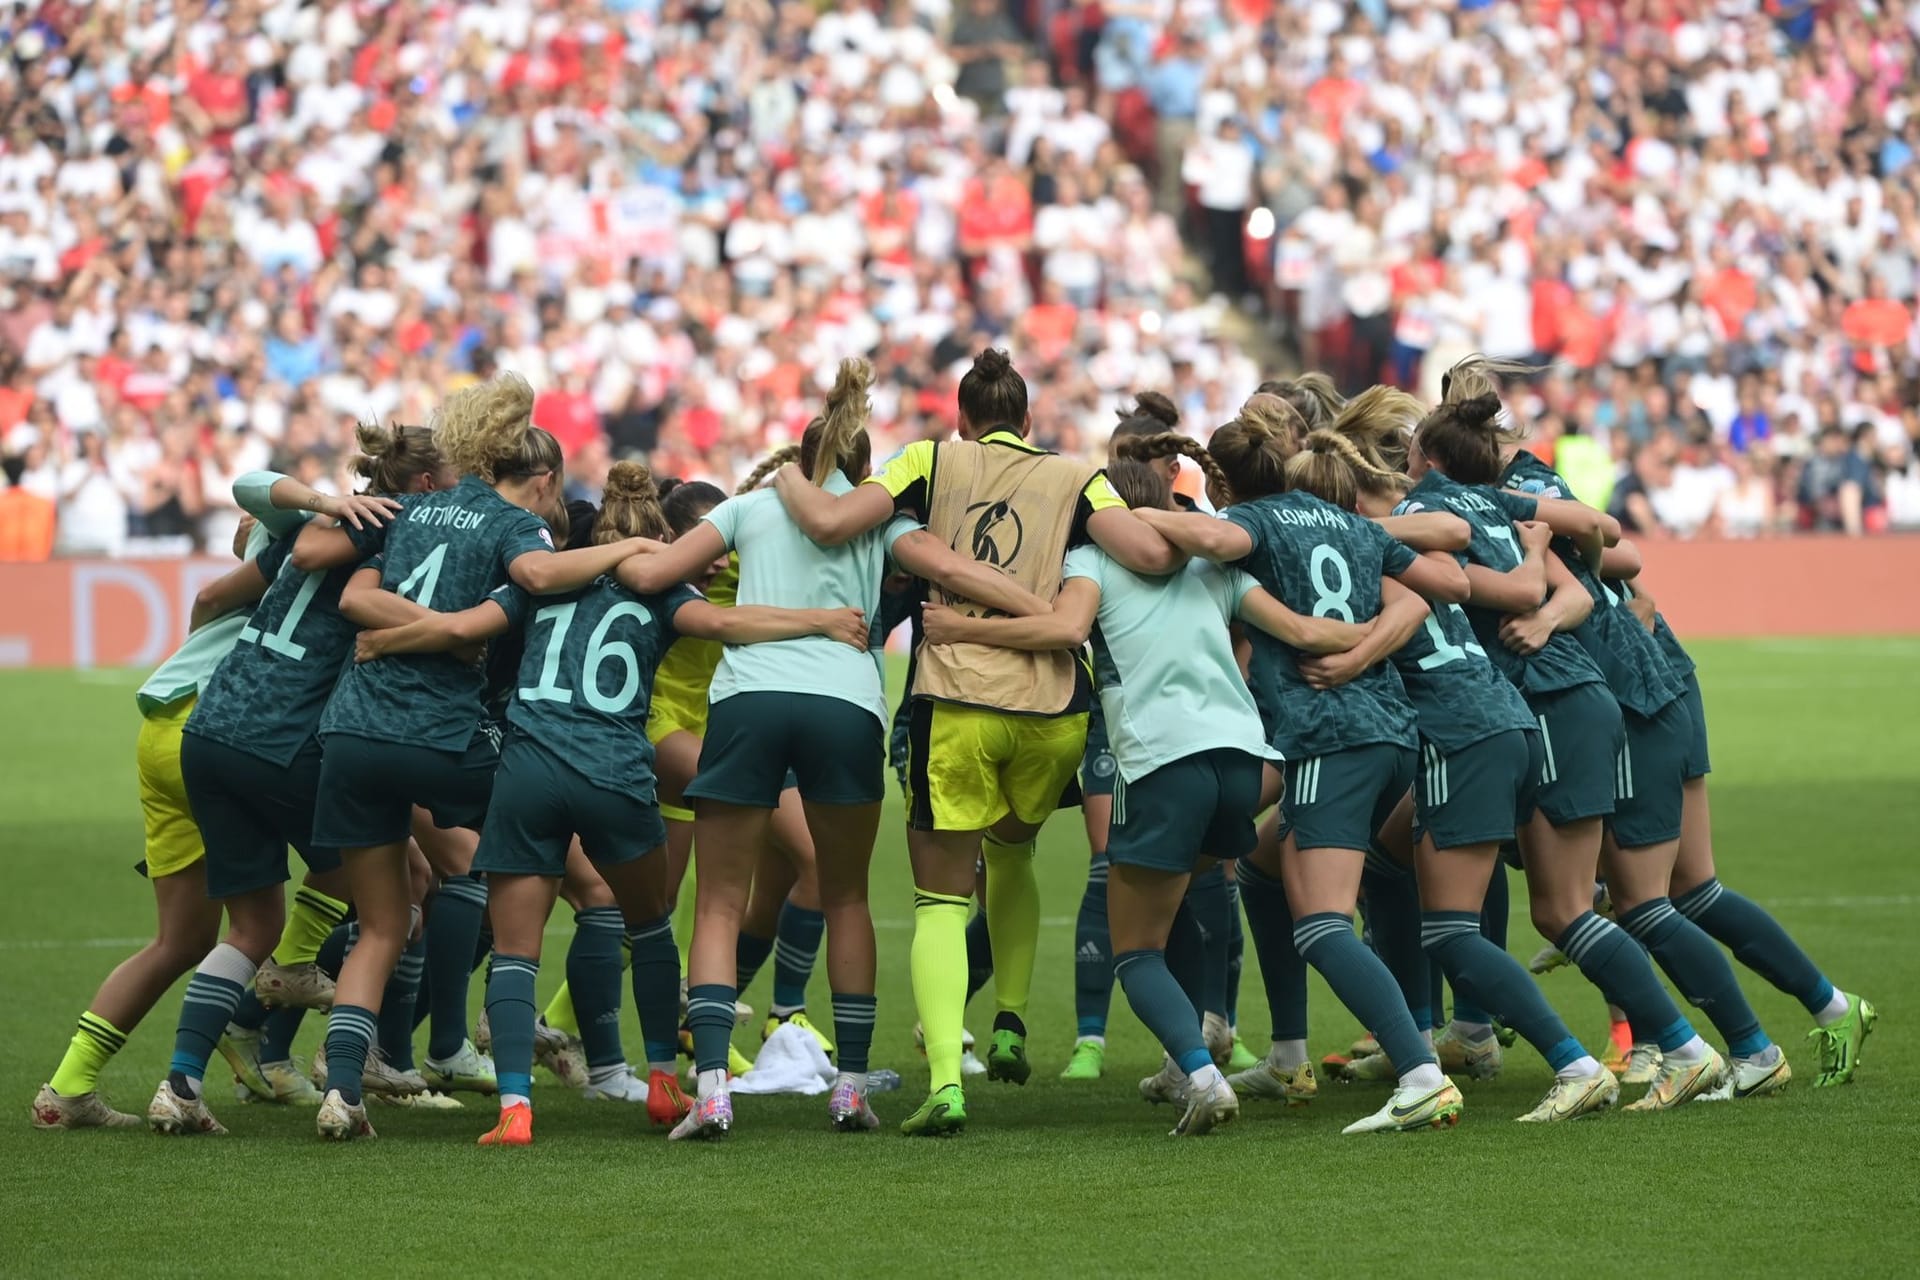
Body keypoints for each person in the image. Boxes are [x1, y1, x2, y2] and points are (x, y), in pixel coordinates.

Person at [350, 461, 865, 1146]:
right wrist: (822, 620)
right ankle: (661, 1080)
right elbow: (724, 623)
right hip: (616, 775)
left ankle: (514, 1109)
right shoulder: (660, 590)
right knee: (649, 927)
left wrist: (386, 638)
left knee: (514, 952)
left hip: (530, 770)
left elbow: (460, 627)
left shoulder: (542, 580)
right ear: (656, 540)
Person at [617, 359, 1054, 1139]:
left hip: (747, 699)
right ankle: (850, 1086)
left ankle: (712, 1088)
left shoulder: (748, 508)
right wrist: (1042, 610)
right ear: (862, 472)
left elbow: (652, 572)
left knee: (717, 901)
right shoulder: (883, 522)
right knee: (847, 895)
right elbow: (954, 568)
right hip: (846, 701)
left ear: (798, 459)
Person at [766, 348, 1180, 1136]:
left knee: (940, 899)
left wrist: (787, 472)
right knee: (1017, 854)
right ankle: (1014, 1019)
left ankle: (947, 1085)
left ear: (962, 419)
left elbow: (827, 522)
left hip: (956, 696)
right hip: (1054, 703)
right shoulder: (1077, 478)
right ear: (1027, 422)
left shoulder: (928, 458)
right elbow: (1153, 555)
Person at [925, 459, 1362, 1135]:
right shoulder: (1210, 568)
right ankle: (1192, 1046)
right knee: (1179, 902)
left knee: (1134, 948)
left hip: (1163, 763)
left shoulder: (1091, 561)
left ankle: (1203, 1074)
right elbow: (1303, 632)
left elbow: (1065, 630)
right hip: (1243, 762)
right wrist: (1375, 642)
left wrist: (964, 630)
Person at [306, 375, 655, 1141]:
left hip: (353, 731)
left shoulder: (416, 506)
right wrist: (627, 546)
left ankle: (343, 1090)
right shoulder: (511, 523)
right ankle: (508, 1053)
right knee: (544, 858)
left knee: (383, 924)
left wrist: (400, 631)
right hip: (440, 741)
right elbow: (529, 581)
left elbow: (355, 595)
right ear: (534, 473)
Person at [1130, 410, 1477, 1135]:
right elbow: (1439, 587)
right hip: (1390, 734)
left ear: (1224, 482)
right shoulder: (1345, 520)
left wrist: (1125, 509)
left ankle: (1421, 1071)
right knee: (1260, 866)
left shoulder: (1252, 524)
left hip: (1326, 736)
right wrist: (1366, 651)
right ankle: (1290, 1053)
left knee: (1321, 924)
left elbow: (1216, 538)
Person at [35, 468, 395, 1132]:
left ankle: (70, 1084)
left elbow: (207, 595)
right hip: (236, 727)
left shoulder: (290, 539)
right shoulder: (363, 555)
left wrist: (194, 655)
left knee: (182, 938)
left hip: (164, 728)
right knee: (385, 867)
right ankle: (297, 969)